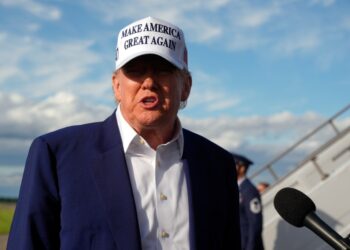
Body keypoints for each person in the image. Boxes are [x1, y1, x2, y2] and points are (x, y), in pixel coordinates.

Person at [8, 16, 241, 250]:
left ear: (186, 87)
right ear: (116, 86)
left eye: (162, 70)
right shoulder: (57, 156)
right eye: (135, 71)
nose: (149, 82)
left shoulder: (218, 165)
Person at [234, 153, 264, 250]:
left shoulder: (249, 190)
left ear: (242, 168)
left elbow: (255, 223)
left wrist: (250, 247)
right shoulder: (238, 188)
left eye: (233, 164)